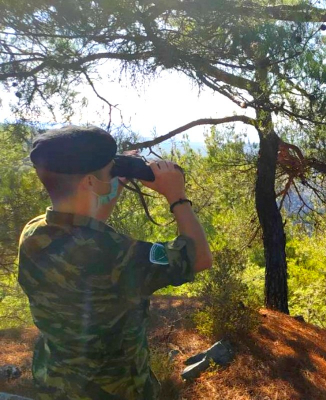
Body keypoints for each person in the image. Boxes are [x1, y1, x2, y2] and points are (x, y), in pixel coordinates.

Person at [17, 125, 212, 400]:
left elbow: (86, 225)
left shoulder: (33, 233)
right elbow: (199, 258)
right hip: (115, 390)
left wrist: (111, 179)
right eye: (108, 171)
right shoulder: (117, 254)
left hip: (54, 382)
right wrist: (177, 197)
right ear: (89, 182)